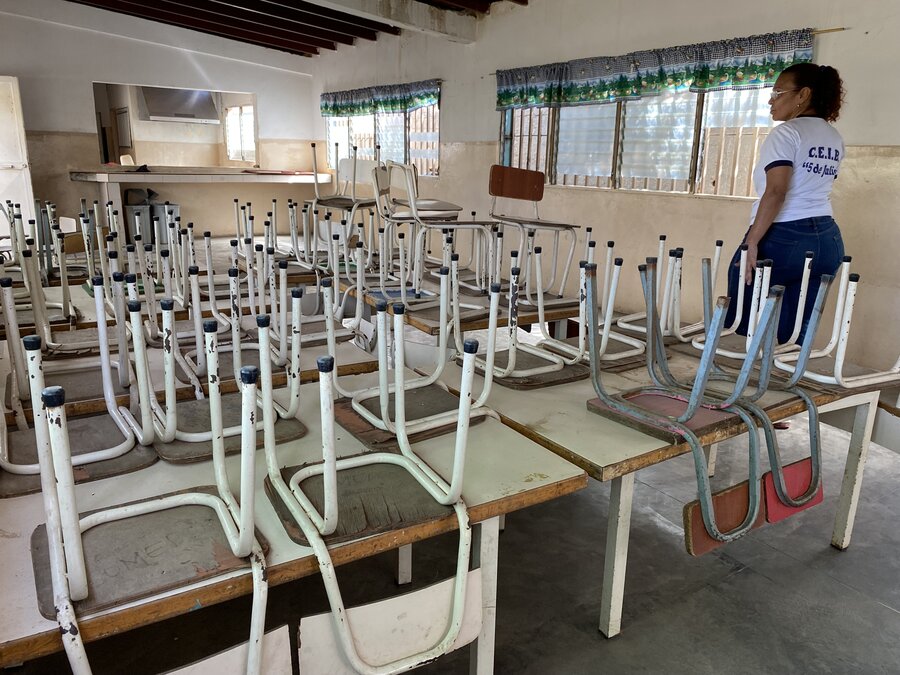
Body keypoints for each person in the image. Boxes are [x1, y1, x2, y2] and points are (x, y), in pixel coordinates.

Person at [725, 62, 846, 346]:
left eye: (778, 91)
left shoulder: (786, 133)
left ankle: (740, 380)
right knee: (795, 332)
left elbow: (777, 191)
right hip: (827, 240)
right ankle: (782, 381)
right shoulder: (833, 137)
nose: (771, 99)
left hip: (783, 236)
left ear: (803, 95)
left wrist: (753, 240)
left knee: (741, 316)